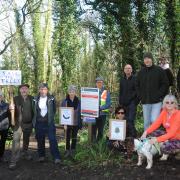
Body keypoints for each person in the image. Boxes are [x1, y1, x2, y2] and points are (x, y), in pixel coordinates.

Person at [141, 94, 180, 160]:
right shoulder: (164, 112)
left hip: (177, 138)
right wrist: (146, 132)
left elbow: (172, 134)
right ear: (164, 103)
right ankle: (164, 145)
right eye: (167, 102)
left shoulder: (178, 114)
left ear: (175, 104)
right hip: (168, 136)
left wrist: (157, 139)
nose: (169, 104)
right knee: (151, 134)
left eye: (172, 102)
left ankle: (177, 150)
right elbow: (156, 124)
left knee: (164, 147)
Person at [136, 52, 169, 130]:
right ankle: (146, 139)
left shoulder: (159, 70)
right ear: (143, 61)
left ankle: (154, 139)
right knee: (146, 122)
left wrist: (159, 94)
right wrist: (140, 96)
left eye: (148, 58)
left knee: (154, 120)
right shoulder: (141, 72)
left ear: (152, 59)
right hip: (145, 101)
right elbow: (137, 85)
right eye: (145, 59)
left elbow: (165, 84)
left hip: (157, 101)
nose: (146, 60)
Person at [33, 83, 61, 164]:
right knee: (40, 140)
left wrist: (50, 118)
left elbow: (54, 109)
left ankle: (56, 157)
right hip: (39, 123)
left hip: (49, 123)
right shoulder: (35, 99)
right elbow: (33, 110)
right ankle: (41, 156)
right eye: (41, 89)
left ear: (47, 90)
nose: (42, 91)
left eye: (44, 89)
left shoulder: (51, 99)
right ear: (39, 90)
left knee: (52, 140)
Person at [9, 84, 33, 169]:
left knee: (26, 140)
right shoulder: (15, 99)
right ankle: (13, 161)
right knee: (16, 142)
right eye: (22, 89)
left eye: (26, 88)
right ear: (19, 90)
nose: (24, 90)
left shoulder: (31, 98)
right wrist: (11, 108)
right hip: (18, 124)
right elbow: (11, 110)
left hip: (28, 123)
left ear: (28, 90)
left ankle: (25, 153)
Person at [61, 85, 81, 157]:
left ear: (75, 92)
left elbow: (80, 112)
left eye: (73, 91)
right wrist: (64, 124)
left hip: (75, 122)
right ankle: (67, 150)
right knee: (67, 136)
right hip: (67, 122)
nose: (72, 93)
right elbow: (62, 112)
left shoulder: (78, 101)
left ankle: (73, 150)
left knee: (74, 136)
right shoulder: (65, 101)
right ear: (68, 92)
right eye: (70, 91)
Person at [119, 64, 138, 137]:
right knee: (125, 120)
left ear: (131, 70)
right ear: (124, 70)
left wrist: (134, 102)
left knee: (130, 120)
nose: (127, 70)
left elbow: (137, 91)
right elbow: (121, 91)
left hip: (132, 103)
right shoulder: (122, 79)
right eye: (126, 68)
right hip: (123, 104)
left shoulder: (135, 78)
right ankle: (127, 136)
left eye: (129, 68)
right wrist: (120, 102)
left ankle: (133, 137)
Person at [92, 77, 111, 141]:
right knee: (93, 129)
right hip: (93, 114)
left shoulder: (106, 92)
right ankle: (93, 143)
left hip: (102, 114)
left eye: (100, 82)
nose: (99, 83)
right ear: (96, 83)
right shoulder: (92, 92)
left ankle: (99, 145)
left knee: (100, 130)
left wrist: (100, 107)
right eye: (98, 82)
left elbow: (108, 104)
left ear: (103, 83)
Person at [0, 91, 11, 162]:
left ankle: (1, 156)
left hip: (4, 127)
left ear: (2, 97)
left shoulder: (7, 105)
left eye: (0, 96)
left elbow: (11, 115)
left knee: (3, 142)